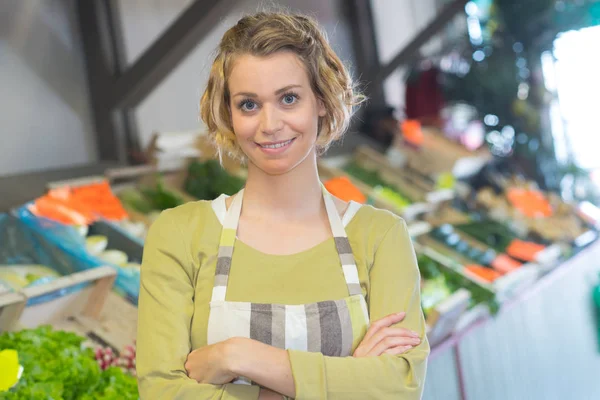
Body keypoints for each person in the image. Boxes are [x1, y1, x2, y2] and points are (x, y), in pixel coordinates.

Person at [136, 11, 429, 400]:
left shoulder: (381, 237)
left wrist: (240, 356)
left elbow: (401, 388)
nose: (269, 124)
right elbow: (161, 391)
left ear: (321, 101)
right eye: (249, 105)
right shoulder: (179, 235)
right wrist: (350, 380)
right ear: (228, 113)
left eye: (289, 98)